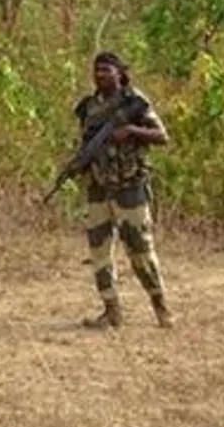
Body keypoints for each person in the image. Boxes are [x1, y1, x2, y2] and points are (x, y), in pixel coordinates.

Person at [73, 51, 172, 330]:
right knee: (99, 252)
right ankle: (111, 311)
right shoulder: (88, 107)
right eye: (97, 70)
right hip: (98, 188)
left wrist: (130, 130)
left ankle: (161, 307)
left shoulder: (135, 102)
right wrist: (80, 163)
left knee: (140, 251)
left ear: (119, 73)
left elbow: (162, 136)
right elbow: (86, 143)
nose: (100, 75)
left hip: (129, 187)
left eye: (106, 70)